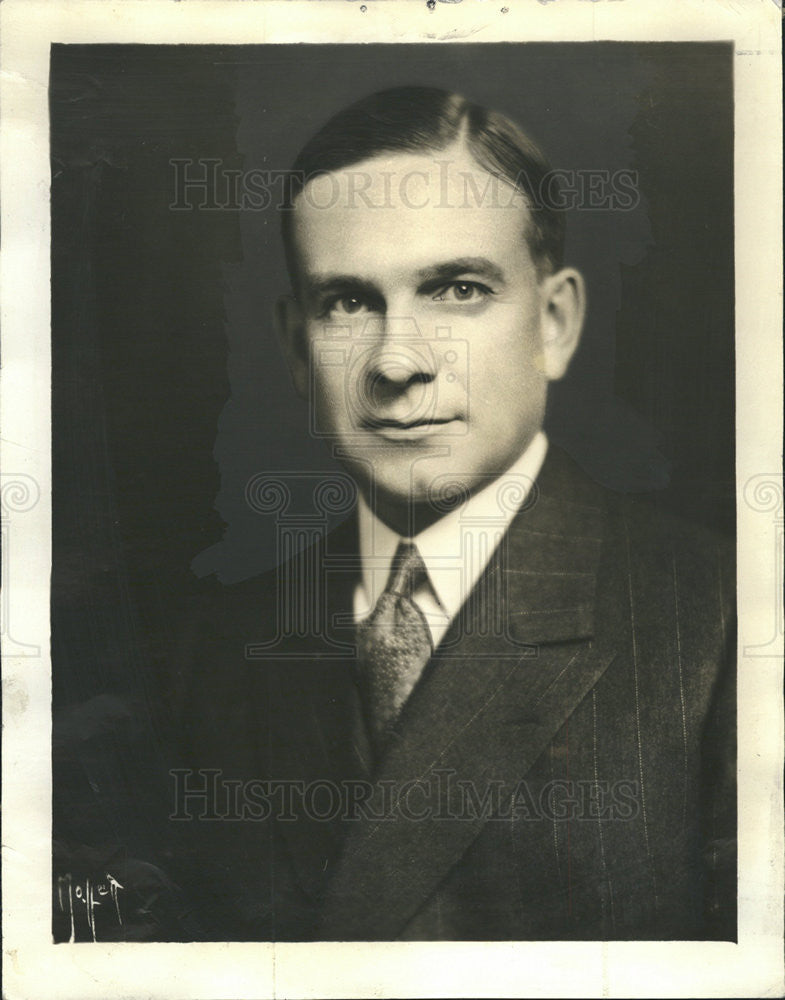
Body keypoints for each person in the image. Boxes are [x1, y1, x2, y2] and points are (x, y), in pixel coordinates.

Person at [171, 86, 736, 942]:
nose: (398, 359)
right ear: (296, 348)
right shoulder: (212, 651)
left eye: (457, 289)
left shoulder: (722, 621)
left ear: (553, 322)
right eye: (348, 303)